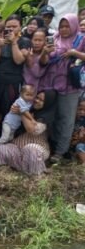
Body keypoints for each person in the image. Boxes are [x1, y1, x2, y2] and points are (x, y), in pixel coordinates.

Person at [40, 14, 85, 163]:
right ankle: (52, 145)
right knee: (53, 117)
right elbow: (45, 62)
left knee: (67, 119)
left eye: (67, 26)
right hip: (51, 83)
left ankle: (60, 151)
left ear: (73, 25)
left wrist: (75, 53)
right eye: (61, 26)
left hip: (70, 85)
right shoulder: (55, 39)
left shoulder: (81, 38)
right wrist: (45, 52)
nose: (64, 29)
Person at [0, 91, 53, 175]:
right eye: (37, 98)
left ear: (48, 103)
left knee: (31, 149)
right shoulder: (28, 108)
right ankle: (25, 167)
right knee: (0, 149)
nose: (37, 101)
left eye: (41, 100)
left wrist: (22, 112)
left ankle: (33, 169)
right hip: (18, 146)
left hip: (37, 147)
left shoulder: (47, 117)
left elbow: (32, 130)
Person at [0, 14, 30, 117]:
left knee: (8, 111)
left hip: (12, 82)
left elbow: (19, 61)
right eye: (8, 27)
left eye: (14, 27)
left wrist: (14, 42)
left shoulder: (24, 41)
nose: (11, 29)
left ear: (20, 27)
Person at [70, 99, 85, 164]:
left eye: (84, 110)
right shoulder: (71, 119)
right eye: (80, 109)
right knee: (79, 146)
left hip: (82, 142)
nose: (82, 112)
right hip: (75, 145)